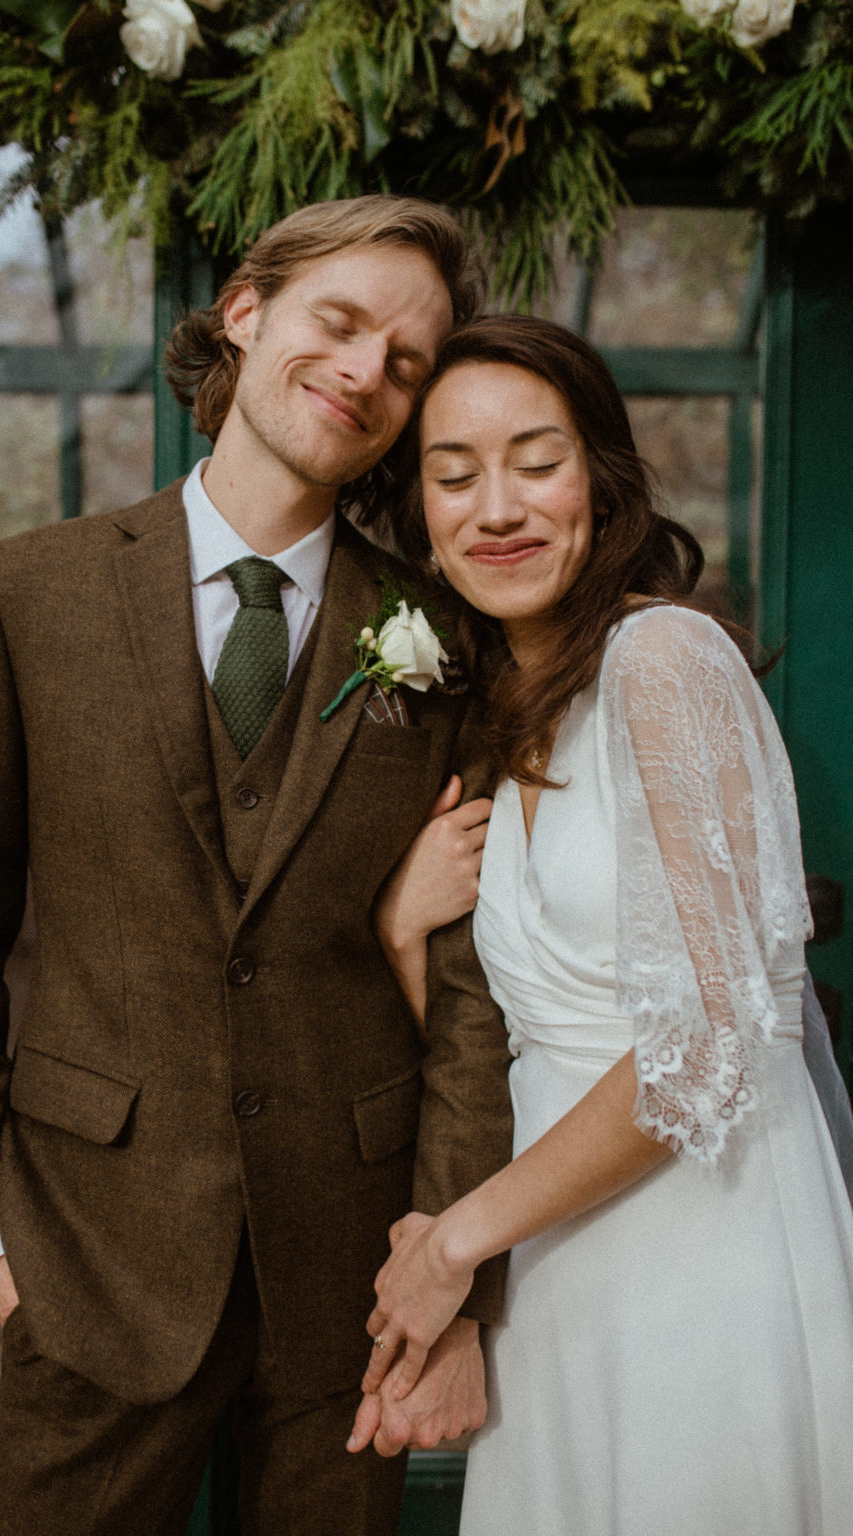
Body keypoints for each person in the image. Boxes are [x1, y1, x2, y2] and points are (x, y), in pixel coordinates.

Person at [0, 197, 516, 1536]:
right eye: (339, 324)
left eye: (405, 364)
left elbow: (473, 989)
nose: (366, 372)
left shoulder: (440, 632)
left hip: (352, 1278)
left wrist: (452, 1263)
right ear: (246, 312)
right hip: (83, 1253)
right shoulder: (25, 592)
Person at [357, 315, 853, 1533]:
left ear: (602, 478)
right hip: (556, 1264)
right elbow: (525, 1039)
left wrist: (450, 1247)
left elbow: (710, 1047)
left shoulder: (662, 661)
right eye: (454, 474)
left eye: (537, 460)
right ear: (418, 511)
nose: (497, 508)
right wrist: (399, 933)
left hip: (699, 1255)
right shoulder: (496, 712)